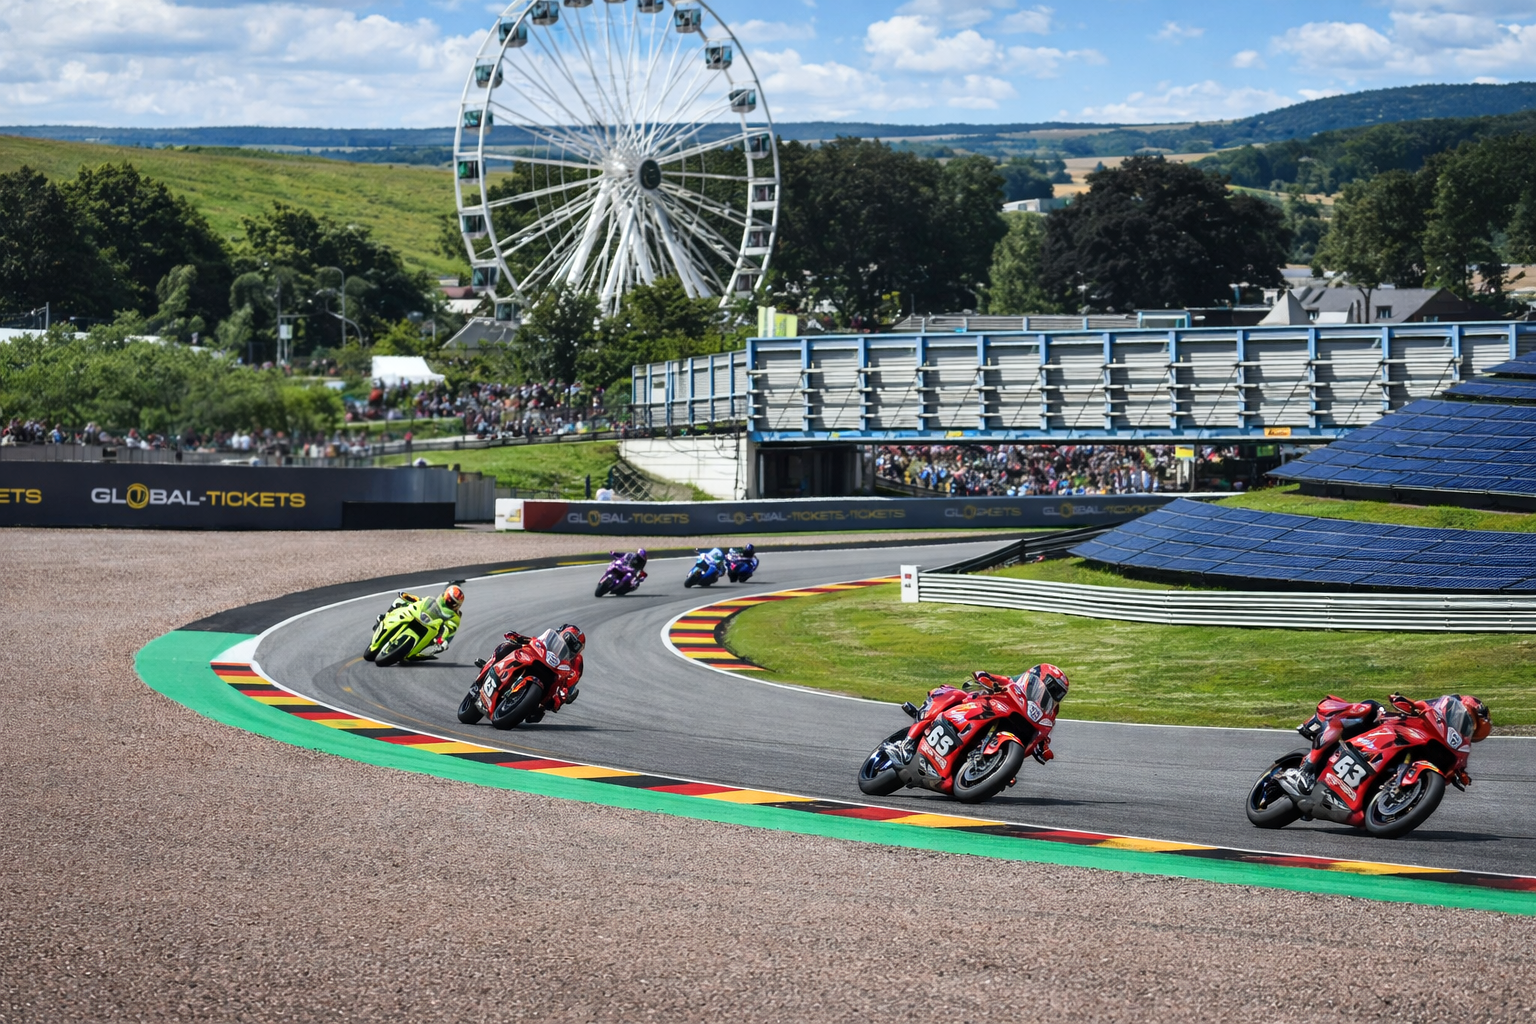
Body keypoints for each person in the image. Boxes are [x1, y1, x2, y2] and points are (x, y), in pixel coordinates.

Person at [1293, 692, 1491, 792]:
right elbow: (1418, 706)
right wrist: (1404, 702)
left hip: (1411, 748)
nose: (1467, 728)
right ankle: (1307, 767)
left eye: (1471, 729)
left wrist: (1459, 774)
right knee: (1371, 708)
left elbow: (1457, 766)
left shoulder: (1457, 742)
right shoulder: (1438, 709)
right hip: (1386, 728)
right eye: (1468, 720)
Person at [488, 623, 586, 723]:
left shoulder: (577, 660)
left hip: (553, 674)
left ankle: (528, 704)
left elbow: (574, 678)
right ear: (563, 634)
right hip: (537, 658)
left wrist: (566, 693)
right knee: (507, 646)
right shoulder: (550, 638)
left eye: (577, 647)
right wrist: (519, 638)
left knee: (543, 708)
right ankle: (490, 665)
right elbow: (536, 641)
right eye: (571, 641)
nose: (573, 647)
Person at [381, 584, 464, 654]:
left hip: (435, 633)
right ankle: (385, 617)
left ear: (457, 605)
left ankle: (421, 650)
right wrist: (407, 596)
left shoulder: (455, 617)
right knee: (399, 601)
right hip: (422, 617)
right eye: (447, 597)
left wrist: (443, 641)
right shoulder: (436, 600)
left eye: (452, 602)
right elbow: (421, 601)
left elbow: (449, 630)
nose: (448, 601)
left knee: (437, 644)